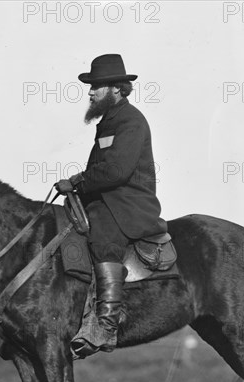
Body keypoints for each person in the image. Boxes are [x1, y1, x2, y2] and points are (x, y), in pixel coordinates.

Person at [55, 53, 167, 354]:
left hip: (127, 204)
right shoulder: (111, 121)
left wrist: (77, 181)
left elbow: (116, 171)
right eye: (91, 86)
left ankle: (105, 324)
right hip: (108, 198)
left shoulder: (131, 121)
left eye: (97, 86)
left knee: (103, 236)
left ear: (117, 88)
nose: (90, 92)